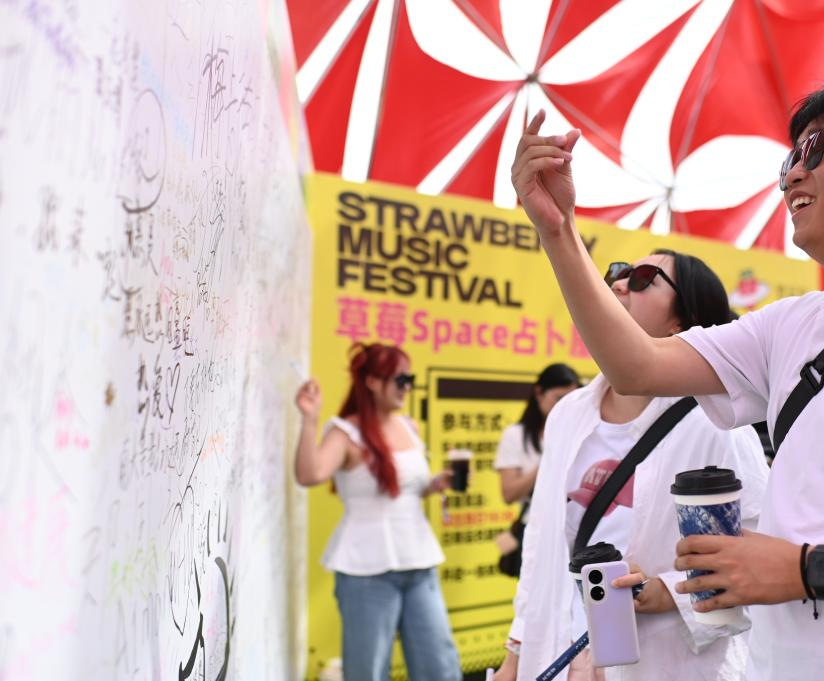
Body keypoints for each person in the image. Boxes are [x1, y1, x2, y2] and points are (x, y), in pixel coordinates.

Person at [511, 71, 824, 680]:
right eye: (790, 158)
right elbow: (637, 364)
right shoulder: (787, 324)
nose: (793, 175)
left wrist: (805, 569)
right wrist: (558, 230)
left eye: (818, 149)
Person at [493, 249, 769, 680]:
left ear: (682, 322)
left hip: (665, 665)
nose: (619, 284)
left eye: (643, 279)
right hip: (564, 658)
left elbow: (757, 558)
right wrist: (517, 649)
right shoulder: (569, 413)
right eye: (617, 273)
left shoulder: (716, 425)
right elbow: (541, 545)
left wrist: (667, 592)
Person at [294, 342, 461, 681]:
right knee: (367, 671)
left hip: (419, 562)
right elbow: (310, 474)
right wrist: (310, 419)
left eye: (410, 379)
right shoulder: (346, 432)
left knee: (440, 666)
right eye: (400, 379)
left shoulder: (409, 426)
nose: (407, 387)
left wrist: (434, 484)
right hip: (366, 570)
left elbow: (405, 490)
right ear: (372, 381)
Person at [495, 363, 581, 505]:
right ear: (539, 393)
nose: (565, 407)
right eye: (559, 399)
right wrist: (548, 461)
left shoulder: (581, 433)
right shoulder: (515, 435)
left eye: (571, 400)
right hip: (533, 518)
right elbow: (509, 494)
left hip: (573, 518)